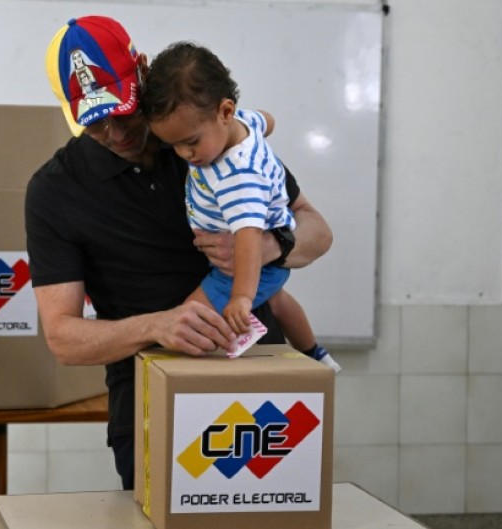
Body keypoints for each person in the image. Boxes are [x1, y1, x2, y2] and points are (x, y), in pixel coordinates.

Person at [29, 15, 333, 490]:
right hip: (153, 393)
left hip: (259, 373)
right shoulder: (56, 190)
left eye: (125, 111)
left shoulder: (205, 133)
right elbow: (63, 337)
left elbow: (318, 230)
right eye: (94, 124)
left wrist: (269, 246)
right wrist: (157, 325)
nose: (116, 133)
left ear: (143, 70)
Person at [141, 41, 341, 372]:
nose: (185, 155)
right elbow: (267, 121)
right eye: (173, 145)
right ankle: (316, 353)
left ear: (225, 111)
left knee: (190, 317)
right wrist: (265, 123)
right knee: (276, 300)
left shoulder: (238, 177)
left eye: (190, 142)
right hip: (265, 266)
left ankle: (297, 351)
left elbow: (248, 239)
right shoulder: (242, 125)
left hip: (241, 268)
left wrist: (241, 298)